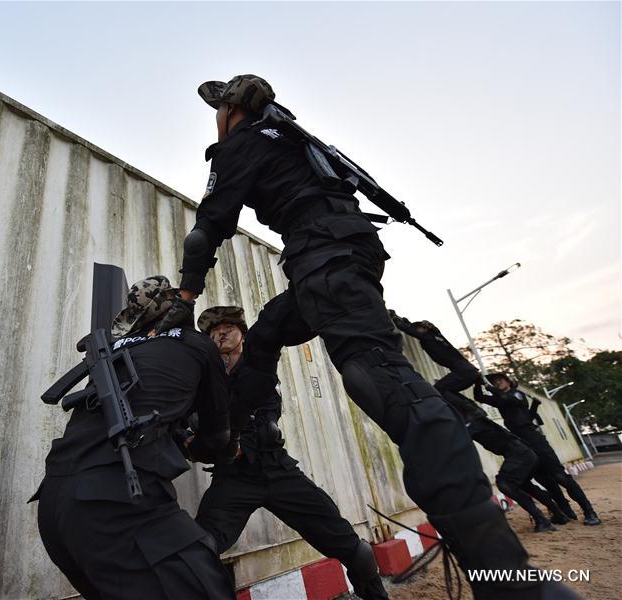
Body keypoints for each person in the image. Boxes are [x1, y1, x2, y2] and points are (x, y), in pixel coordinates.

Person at [154, 74, 579, 599]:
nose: (215, 116)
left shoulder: (241, 142)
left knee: (382, 382)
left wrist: (188, 294)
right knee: (267, 333)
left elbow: (208, 227)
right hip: (335, 259)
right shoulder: (293, 138)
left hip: (325, 260)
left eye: (219, 108)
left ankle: (510, 579)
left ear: (231, 109)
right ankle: (234, 428)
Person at [34, 276, 238, 600]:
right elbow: (217, 437)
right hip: (116, 504)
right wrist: (198, 447)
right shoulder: (198, 345)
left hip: (55, 505)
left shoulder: (115, 349)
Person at [192, 306, 388, 600]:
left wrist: (265, 428)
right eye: (213, 331)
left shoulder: (260, 366)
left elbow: (270, 407)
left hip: (278, 469)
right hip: (233, 476)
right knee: (198, 549)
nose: (220, 333)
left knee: (352, 547)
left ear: (242, 333)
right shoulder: (206, 377)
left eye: (227, 327)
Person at [391, 313, 568, 532]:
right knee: (523, 485)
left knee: (506, 484)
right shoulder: (474, 418)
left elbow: (460, 408)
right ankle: (557, 512)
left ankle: (545, 519)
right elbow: (475, 401)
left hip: (520, 452)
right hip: (520, 452)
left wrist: (397, 320)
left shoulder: (473, 421)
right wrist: (478, 387)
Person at [475, 372, 601, 527]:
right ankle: (565, 511)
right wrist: (477, 382)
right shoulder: (500, 399)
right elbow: (480, 398)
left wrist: (488, 386)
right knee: (544, 480)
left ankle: (589, 511)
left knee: (560, 476)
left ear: (508, 382)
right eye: (494, 382)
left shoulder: (517, 395)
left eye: (500, 380)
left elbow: (506, 398)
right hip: (522, 444)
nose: (497, 383)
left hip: (535, 440)